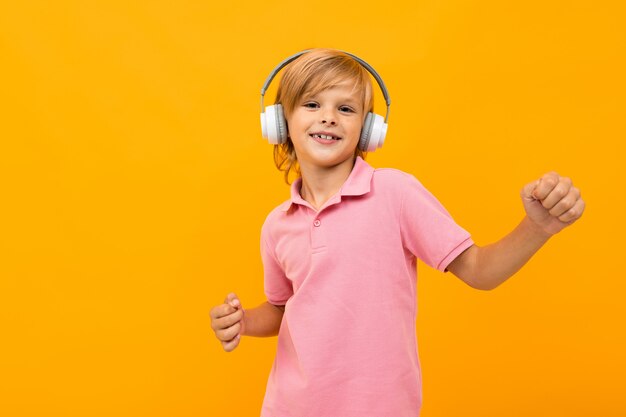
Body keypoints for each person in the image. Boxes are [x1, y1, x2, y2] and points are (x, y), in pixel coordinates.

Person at [209, 48, 585, 417]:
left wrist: (537, 228)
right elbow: (281, 308)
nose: (328, 118)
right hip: (290, 407)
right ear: (280, 122)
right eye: (311, 104)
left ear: (368, 130)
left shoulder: (395, 193)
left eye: (345, 108)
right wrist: (243, 322)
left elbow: (480, 271)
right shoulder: (278, 223)